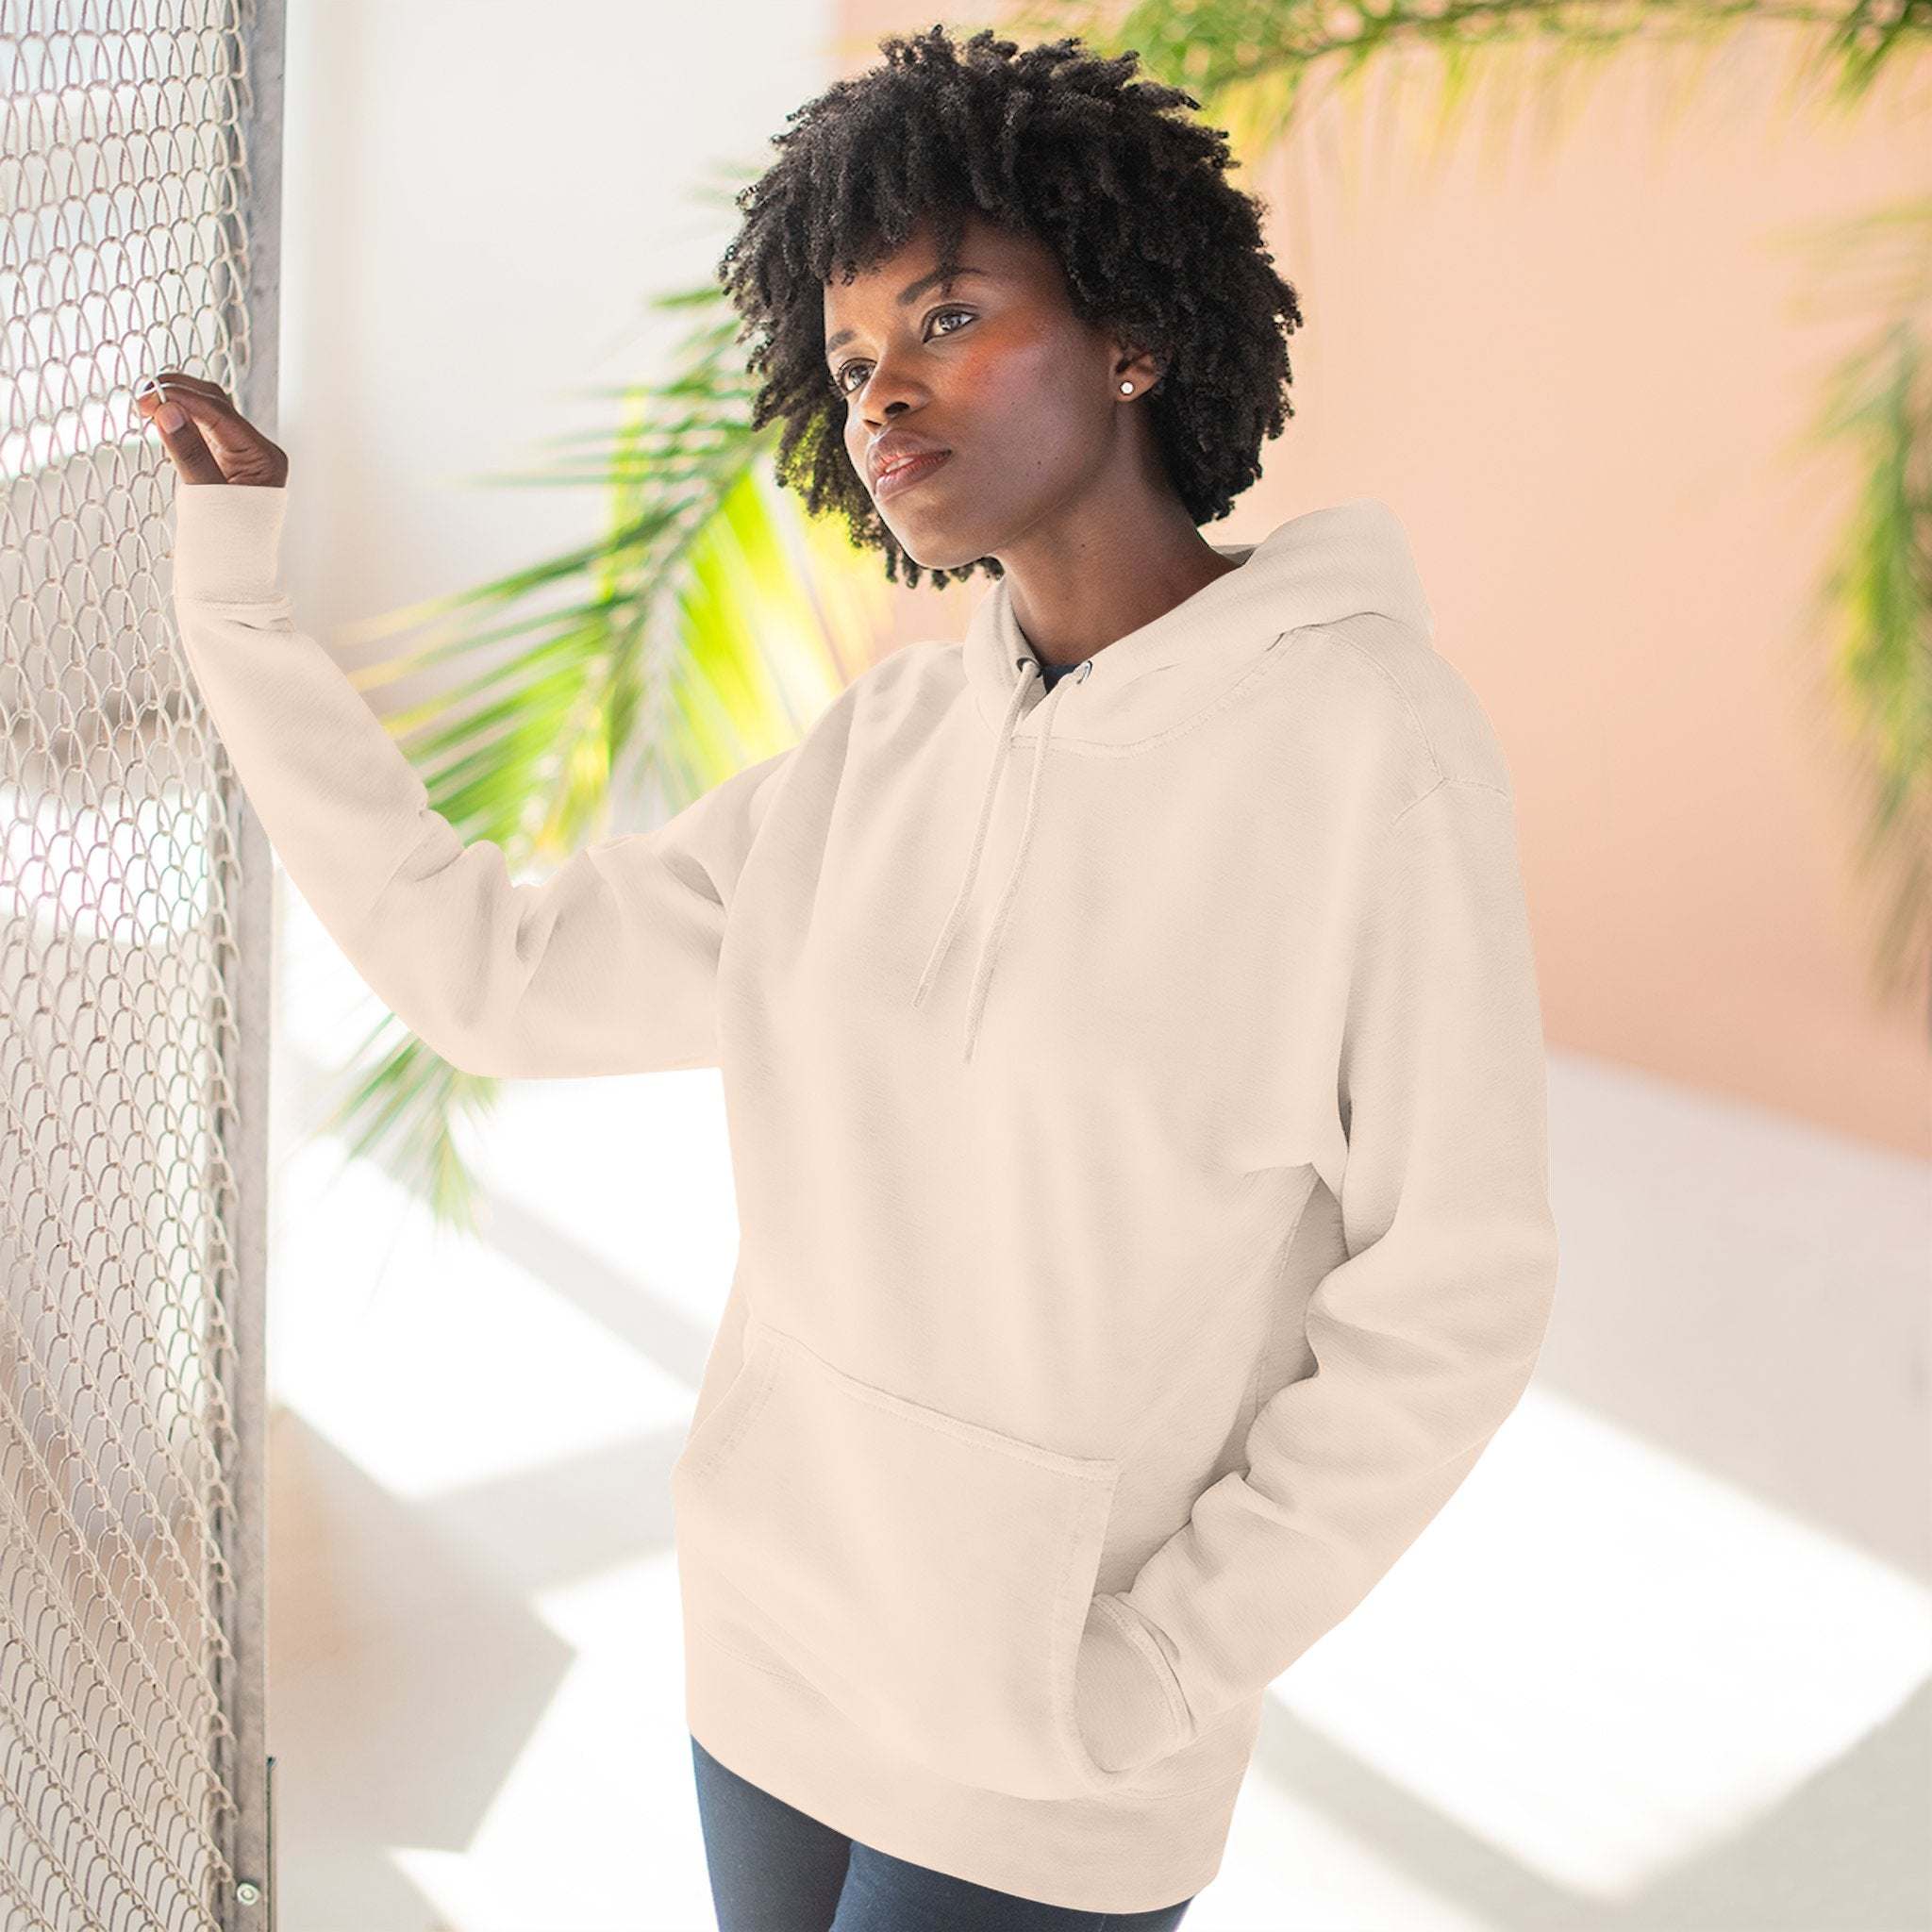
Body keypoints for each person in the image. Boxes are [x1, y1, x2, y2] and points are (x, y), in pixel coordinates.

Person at [143, 23, 1560, 1931]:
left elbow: (1453, 1291)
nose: (883, 392)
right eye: (849, 356)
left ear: (1134, 331)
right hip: (772, 1654)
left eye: (949, 317)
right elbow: (493, 974)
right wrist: (239, 605)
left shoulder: (1366, 747)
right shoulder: (884, 750)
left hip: (1058, 1743)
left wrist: (1155, 1668)